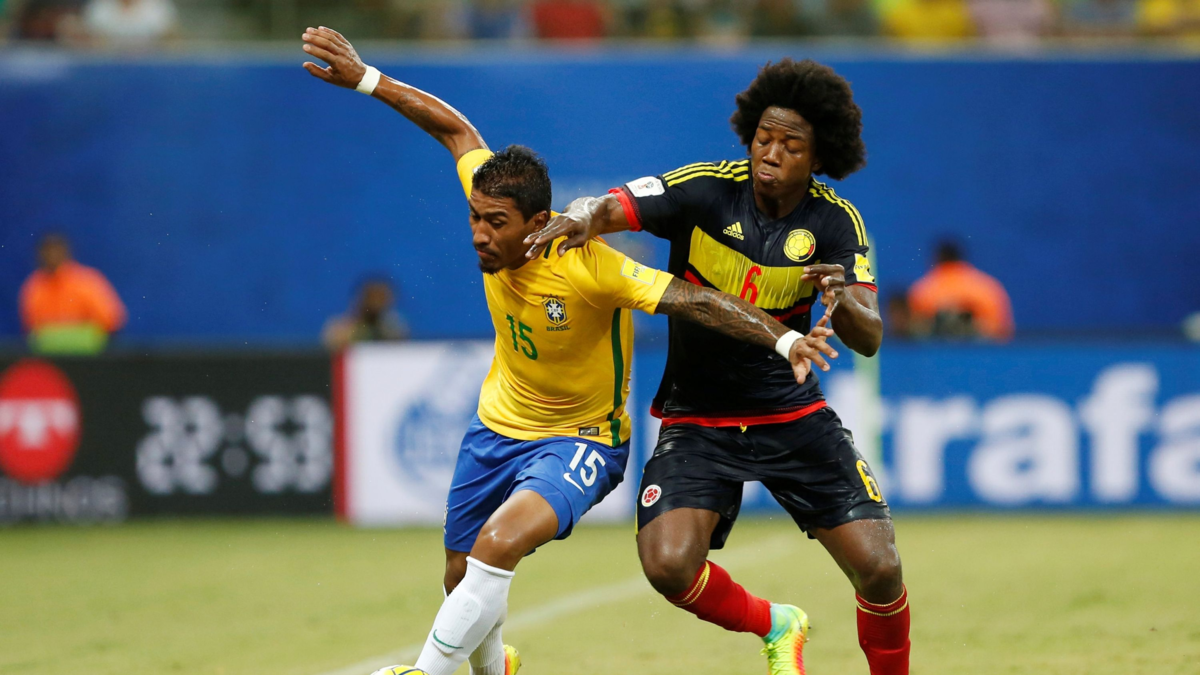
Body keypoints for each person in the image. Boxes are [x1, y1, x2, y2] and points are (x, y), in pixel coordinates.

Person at [301, 26, 839, 675]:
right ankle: (493, 669)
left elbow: (694, 300)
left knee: (498, 542)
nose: (479, 235)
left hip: (583, 438)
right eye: (474, 218)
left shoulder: (590, 266)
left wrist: (785, 337)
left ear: (536, 224)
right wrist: (366, 79)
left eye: (495, 224)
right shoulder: (493, 200)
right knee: (460, 575)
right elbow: (455, 131)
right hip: (496, 425)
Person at [529, 58, 909, 675]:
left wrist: (840, 299)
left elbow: (869, 337)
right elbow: (611, 206)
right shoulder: (704, 188)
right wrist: (580, 215)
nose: (770, 153)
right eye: (763, 137)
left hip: (790, 415)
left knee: (881, 567)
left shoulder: (835, 222)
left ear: (818, 156)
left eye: (790, 145)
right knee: (667, 565)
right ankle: (777, 623)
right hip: (698, 416)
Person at [19, 233, 126, 354]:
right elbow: (32, 330)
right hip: (50, 357)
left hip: (89, 357)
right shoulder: (33, 286)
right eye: (47, 250)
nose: (51, 254)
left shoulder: (87, 280)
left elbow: (112, 320)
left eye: (56, 249)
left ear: (66, 251)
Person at [906, 238, 1014, 341]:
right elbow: (1004, 329)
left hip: (937, 351)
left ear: (937, 258)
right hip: (987, 351)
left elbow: (912, 328)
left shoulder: (923, 289)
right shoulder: (988, 286)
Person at [322, 277, 410, 351]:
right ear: (361, 299)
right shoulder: (340, 328)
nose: (376, 303)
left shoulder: (395, 329)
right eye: (372, 297)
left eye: (381, 298)